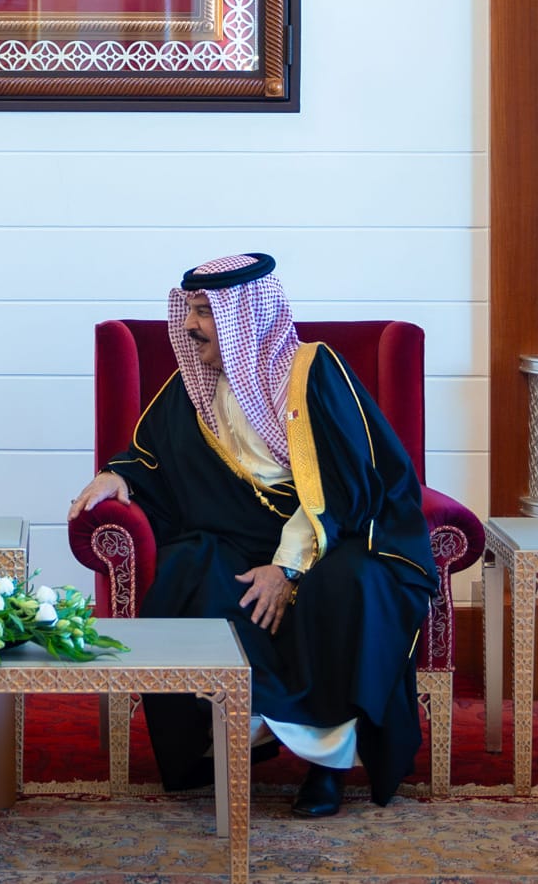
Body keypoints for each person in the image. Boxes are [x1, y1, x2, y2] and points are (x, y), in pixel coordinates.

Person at [68, 253, 436, 817]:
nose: (189, 326)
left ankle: (328, 766)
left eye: (203, 313)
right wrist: (117, 475)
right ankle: (247, 723)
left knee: (350, 586)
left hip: (338, 534)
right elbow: (152, 459)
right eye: (188, 310)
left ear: (243, 316)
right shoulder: (194, 388)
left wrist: (288, 568)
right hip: (240, 536)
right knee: (192, 567)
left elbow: (348, 484)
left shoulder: (312, 372)